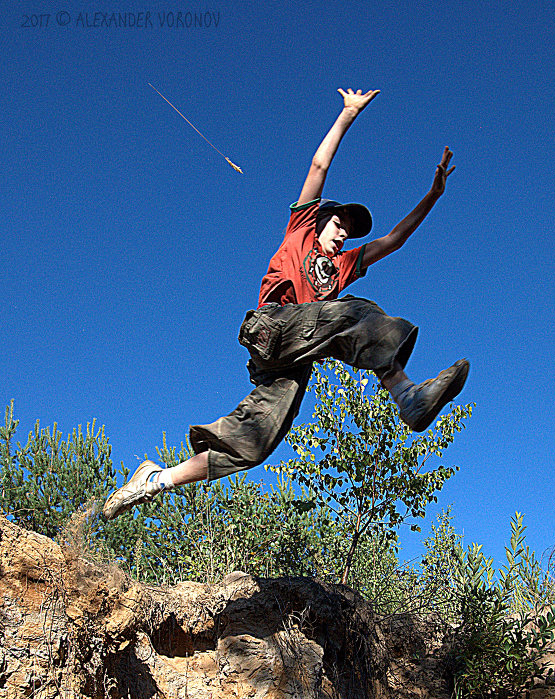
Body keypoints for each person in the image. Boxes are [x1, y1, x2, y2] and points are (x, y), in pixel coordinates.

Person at [102, 88, 468, 521]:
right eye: (337, 224)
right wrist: (347, 114)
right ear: (319, 219)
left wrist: (433, 196)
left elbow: (394, 239)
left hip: (294, 355)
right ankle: (406, 394)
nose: (342, 235)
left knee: (254, 442)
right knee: (357, 313)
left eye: (348, 232)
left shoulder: (345, 264)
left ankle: (153, 481)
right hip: (272, 327)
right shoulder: (299, 230)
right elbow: (319, 165)